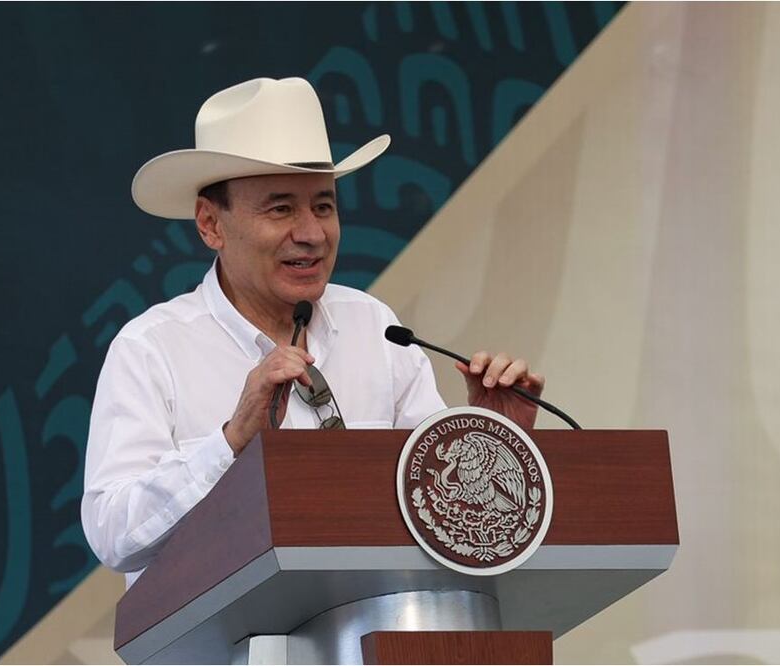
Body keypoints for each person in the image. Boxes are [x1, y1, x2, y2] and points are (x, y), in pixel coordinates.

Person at [81, 78, 546, 587]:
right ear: (210, 224)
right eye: (281, 208)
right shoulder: (152, 348)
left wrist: (491, 437)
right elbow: (113, 533)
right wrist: (233, 440)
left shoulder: (375, 326)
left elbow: (437, 513)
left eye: (323, 206)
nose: (312, 233)